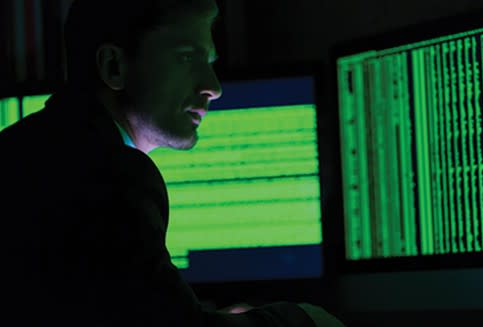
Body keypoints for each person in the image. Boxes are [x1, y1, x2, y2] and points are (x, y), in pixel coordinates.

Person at [0, 0, 346, 326]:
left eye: (208, 62)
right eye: (187, 58)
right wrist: (303, 319)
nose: (213, 87)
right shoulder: (114, 174)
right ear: (114, 67)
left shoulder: (25, 148)